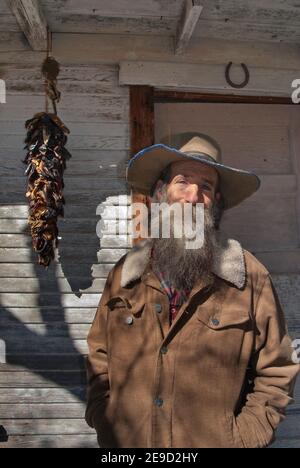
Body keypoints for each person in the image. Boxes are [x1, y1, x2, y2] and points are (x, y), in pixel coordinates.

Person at [85, 133, 299, 448]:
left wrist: (242, 439)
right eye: (182, 182)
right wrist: (106, 419)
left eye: (207, 188)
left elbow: (277, 371)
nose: (193, 197)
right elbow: (99, 356)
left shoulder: (248, 277)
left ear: (216, 204)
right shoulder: (125, 275)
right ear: (160, 193)